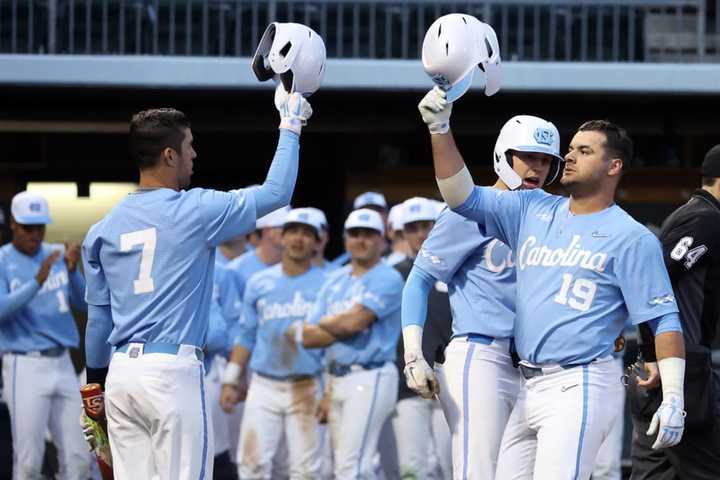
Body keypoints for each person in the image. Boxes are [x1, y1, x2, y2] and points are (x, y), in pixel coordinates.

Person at [420, 85, 686, 479]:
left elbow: (663, 318)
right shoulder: (532, 206)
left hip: (581, 381)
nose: (568, 156)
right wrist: (440, 128)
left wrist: (675, 396)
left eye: (584, 150)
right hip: (528, 384)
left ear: (614, 167)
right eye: (571, 148)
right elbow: (462, 198)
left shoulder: (633, 237)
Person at [81, 92, 312, 479]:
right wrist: (291, 125)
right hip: (171, 371)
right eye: (189, 146)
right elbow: (277, 193)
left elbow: (97, 322)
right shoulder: (194, 208)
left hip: (120, 373)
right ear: (169, 155)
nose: (194, 155)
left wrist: (95, 389)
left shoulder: (101, 229)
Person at [401, 115, 561, 479]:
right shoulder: (470, 210)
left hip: (539, 364)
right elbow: (419, 280)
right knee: (478, 471)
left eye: (546, 159)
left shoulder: (552, 214)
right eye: (528, 156)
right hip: (481, 354)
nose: (537, 167)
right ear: (505, 156)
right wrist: (414, 353)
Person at [289, 208, 404, 479]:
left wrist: (333, 322)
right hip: (335, 376)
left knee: (352, 466)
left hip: (371, 373)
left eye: (369, 234)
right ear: (345, 239)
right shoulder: (335, 279)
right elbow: (308, 336)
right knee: (344, 464)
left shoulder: (388, 277)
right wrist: (343, 322)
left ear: (382, 240)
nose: (361, 240)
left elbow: (352, 324)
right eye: (355, 234)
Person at [629, 144, 720, 479]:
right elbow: (656, 281)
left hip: (663, 368)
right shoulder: (705, 220)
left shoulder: (695, 213)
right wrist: (653, 351)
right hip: (679, 368)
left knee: (654, 473)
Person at [220, 208, 328, 479]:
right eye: (292, 231)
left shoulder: (329, 284)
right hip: (264, 384)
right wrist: (231, 380)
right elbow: (246, 334)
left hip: (309, 384)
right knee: (252, 464)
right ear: (281, 236)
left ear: (317, 241)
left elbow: (333, 344)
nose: (298, 239)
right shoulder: (259, 282)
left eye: (307, 233)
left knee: (306, 470)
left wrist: (330, 391)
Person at [0, 191, 90, 479]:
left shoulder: (55, 254)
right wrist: (36, 282)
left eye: (41, 227)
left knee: (78, 458)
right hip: (24, 363)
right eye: (29, 227)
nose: (36, 234)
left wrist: (74, 271)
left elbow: (83, 303)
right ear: (13, 223)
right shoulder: (3, 260)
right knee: (28, 461)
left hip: (63, 362)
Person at [389, 196, 452, 479]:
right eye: (412, 228)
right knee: (412, 470)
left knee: (454, 466)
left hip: (452, 383)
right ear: (402, 233)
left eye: (425, 225)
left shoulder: (458, 268)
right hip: (407, 386)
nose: (420, 234)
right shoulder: (393, 275)